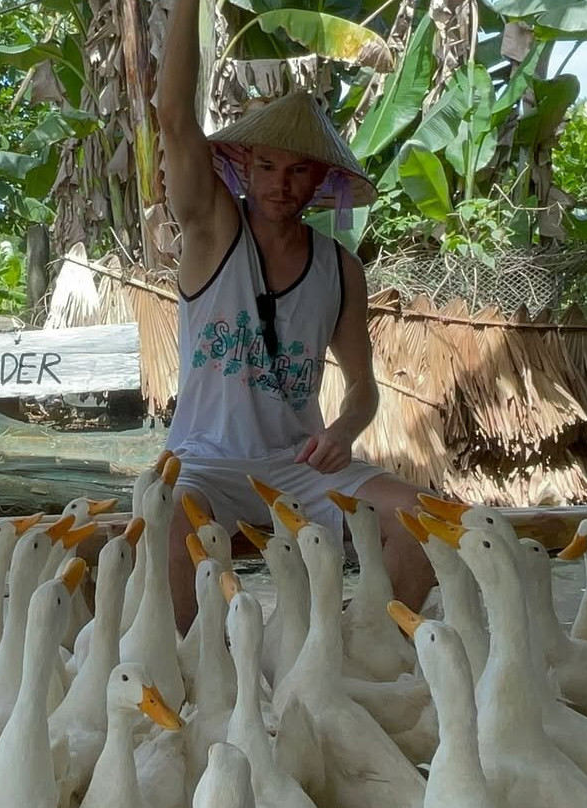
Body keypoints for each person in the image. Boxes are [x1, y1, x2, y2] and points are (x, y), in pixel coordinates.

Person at [156, 0, 437, 632]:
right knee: (166, 529)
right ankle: (186, 674)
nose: (281, 184)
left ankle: (369, 647)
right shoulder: (211, 230)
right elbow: (174, 119)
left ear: (321, 182)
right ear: (245, 168)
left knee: (432, 521)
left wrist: (341, 434)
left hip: (299, 467)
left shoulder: (341, 268)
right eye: (267, 167)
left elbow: (362, 388)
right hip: (202, 462)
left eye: (299, 171)